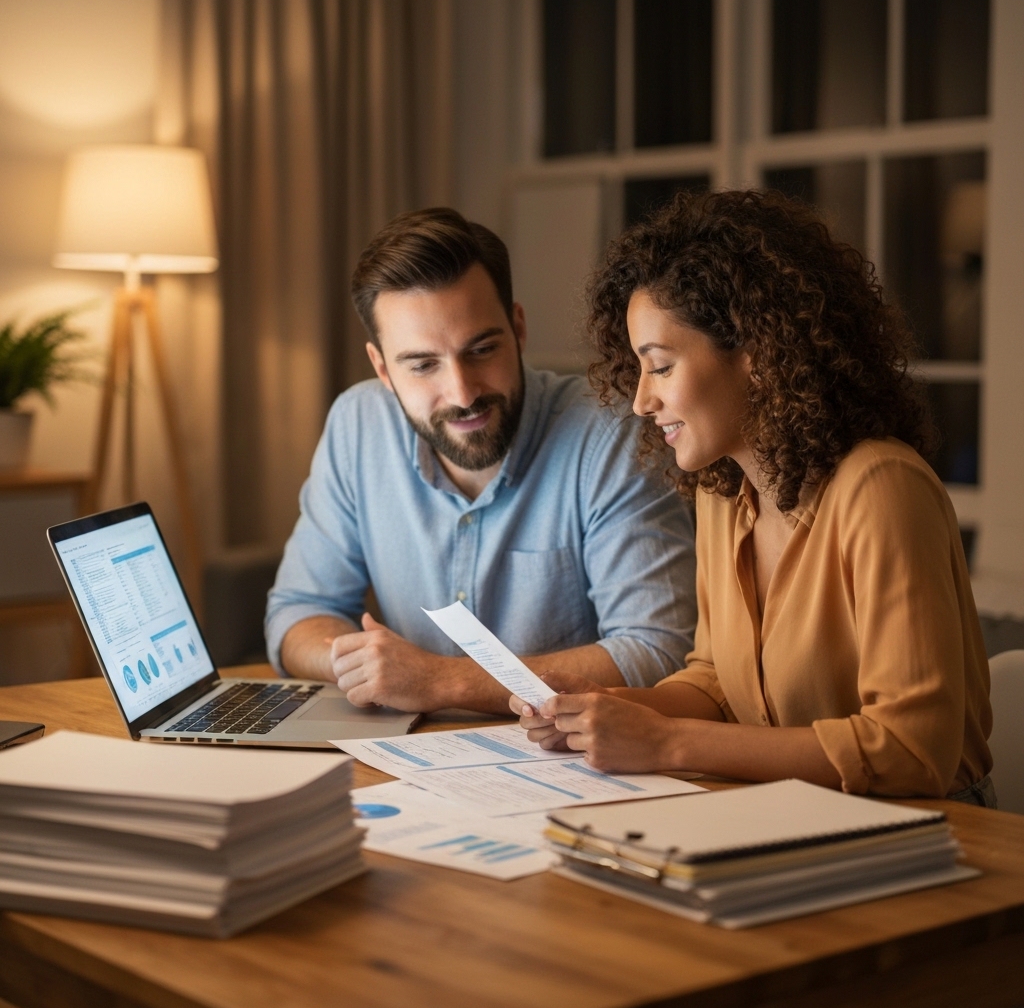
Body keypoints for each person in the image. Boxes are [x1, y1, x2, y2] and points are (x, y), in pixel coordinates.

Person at [513, 188, 995, 803]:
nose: (640, 400)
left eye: (659, 366)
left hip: (940, 835)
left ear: (758, 355)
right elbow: (716, 683)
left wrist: (667, 744)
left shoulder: (881, 489)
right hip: (792, 815)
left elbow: (910, 752)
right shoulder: (724, 492)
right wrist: (603, 714)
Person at [266, 207, 697, 715]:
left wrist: (442, 681)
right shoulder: (357, 426)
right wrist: (366, 666)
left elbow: (659, 650)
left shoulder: (608, 433)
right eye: (423, 365)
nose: (462, 392)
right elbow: (297, 614)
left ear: (517, 328)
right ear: (382, 368)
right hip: (407, 760)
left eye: (481, 350)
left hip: (566, 764)